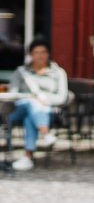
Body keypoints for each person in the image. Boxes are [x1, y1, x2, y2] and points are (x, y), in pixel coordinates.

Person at [8, 40, 68, 168]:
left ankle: (28, 157)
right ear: (31, 54)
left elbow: (62, 97)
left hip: (48, 112)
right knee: (31, 103)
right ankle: (45, 133)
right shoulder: (21, 72)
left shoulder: (58, 72)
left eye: (43, 52)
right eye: (36, 52)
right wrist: (32, 97)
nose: (40, 56)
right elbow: (13, 93)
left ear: (49, 54)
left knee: (30, 117)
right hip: (20, 110)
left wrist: (45, 99)